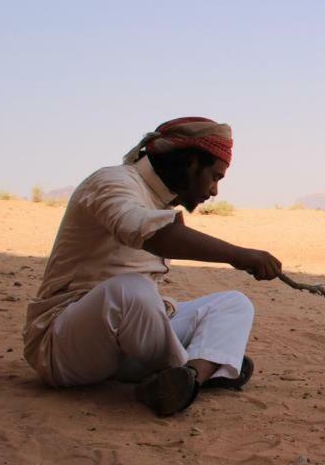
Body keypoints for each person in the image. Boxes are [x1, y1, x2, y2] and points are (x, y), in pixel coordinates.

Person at [23, 117, 282, 416]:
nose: (214, 191)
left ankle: (189, 378)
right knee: (131, 291)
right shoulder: (113, 182)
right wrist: (238, 255)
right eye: (215, 176)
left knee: (234, 304)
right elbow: (146, 231)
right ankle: (199, 366)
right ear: (191, 163)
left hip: (123, 351)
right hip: (65, 348)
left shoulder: (159, 202)